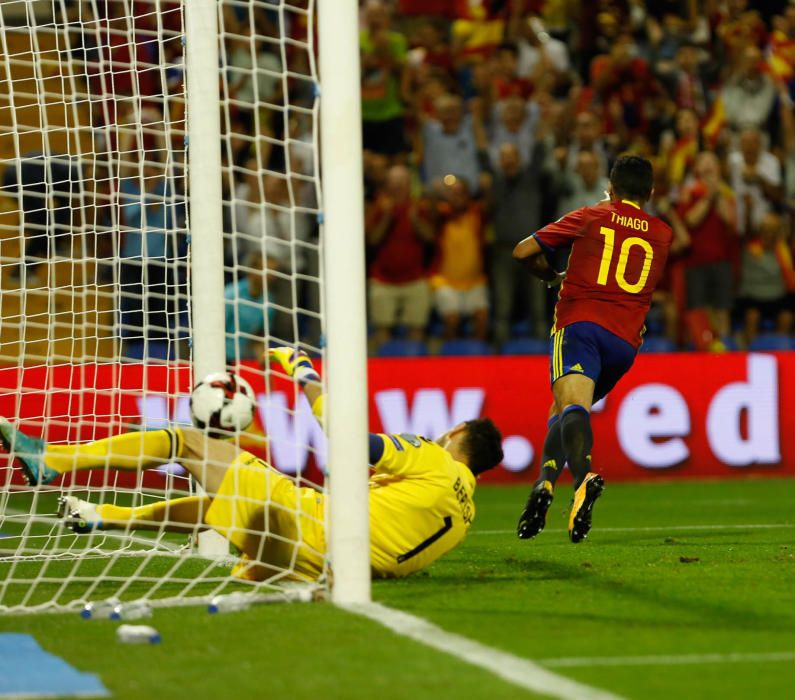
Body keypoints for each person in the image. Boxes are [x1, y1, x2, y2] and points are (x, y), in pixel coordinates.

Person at [0, 349, 503, 582]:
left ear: (456, 434)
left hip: (310, 528)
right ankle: (102, 516)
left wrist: (304, 372)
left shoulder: (434, 458)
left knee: (187, 439)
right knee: (224, 500)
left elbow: (350, 441)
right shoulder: (466, 515)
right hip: (321, 566)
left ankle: (52, 460)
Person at [512, 155, 672, 543]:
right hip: (625, 343)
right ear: (650, 193)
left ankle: (583, 479)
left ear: (611, 187)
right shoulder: (663, 233)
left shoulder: (590, 215)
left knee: (572, 408)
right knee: (565, 409)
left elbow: (522, 251)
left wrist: (552, 277)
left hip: (581, 325)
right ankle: (545, 484)